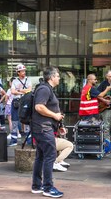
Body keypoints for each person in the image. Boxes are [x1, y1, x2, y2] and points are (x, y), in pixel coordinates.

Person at [31, 66, 64, 198]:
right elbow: (39, 106)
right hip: (43, 129)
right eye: (57, 76)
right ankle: (48, 187)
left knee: (41, 157)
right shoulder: (44, 89)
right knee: (50, 156)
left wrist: (57, 123)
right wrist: (55, 116)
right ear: (51, 77)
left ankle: (37, 185)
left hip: (43, 128)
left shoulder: (46, 88)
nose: (59, 78)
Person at [9, 64, 32, 146]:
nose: (23, 72)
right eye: (22, 71)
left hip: (25, 101)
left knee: (26, 120)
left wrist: (18, 90)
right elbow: (12, 91)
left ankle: (29, 140)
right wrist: (23, 91)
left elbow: (29, 90)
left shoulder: (28, 80)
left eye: (24, 71)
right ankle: (14, 140)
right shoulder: (15, 81)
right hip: (16, 101)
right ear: (18, 72)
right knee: (14, 120)